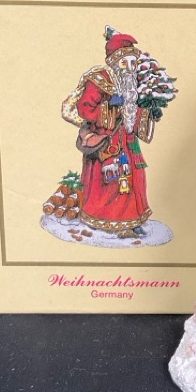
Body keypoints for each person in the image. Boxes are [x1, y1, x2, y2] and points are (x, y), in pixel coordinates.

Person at [61, 26, 162, 237]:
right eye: (125, 63)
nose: (129, 68)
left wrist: (148, 114)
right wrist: (109, 107)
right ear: (114, 62)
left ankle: (132, 219)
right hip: (107, 142)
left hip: (128, 142)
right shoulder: (99, 80)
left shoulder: (132, 84)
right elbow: (85, 108)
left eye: (133, 63)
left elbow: (131, 114)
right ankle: (107, 221)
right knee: (110, 181)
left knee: (134, 179)